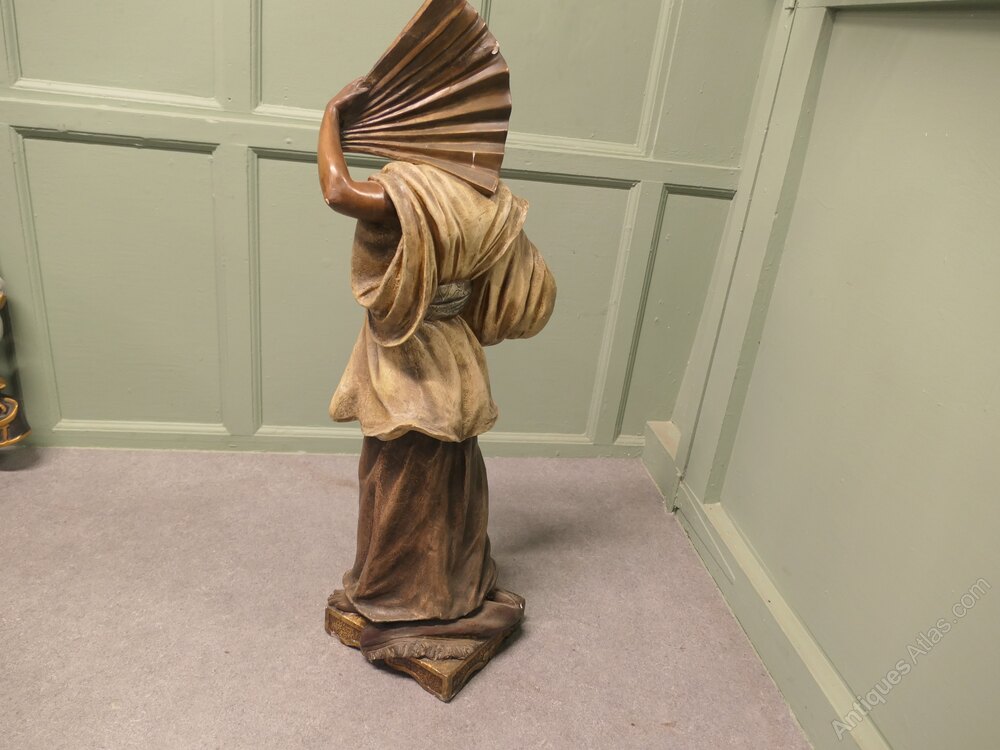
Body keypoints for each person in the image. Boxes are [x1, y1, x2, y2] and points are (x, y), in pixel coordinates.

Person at [318, 78, 556, 661]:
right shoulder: (490, 203)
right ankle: (437, 589)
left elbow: (337, 191)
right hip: (454, 351)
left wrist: (330, 117)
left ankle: (410, 603)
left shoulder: (414, 193)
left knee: (405, 476)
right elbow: (529, 297)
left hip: (406, 354)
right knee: (444, 474)